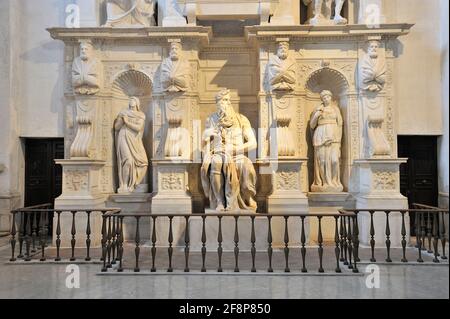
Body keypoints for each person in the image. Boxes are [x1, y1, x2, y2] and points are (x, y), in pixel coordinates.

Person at [201, 89, 258, 211]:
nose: (223, 103)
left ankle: (248, 196)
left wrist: (236, 149)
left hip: (237, 154)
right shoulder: (211, 120)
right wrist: (208, 137)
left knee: (246, 166)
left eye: (226, 100)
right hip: (218, 153)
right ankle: (220, 201)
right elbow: (204, 141)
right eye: (220, 101)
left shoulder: (241, 119)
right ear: (216, 103)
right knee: (216, 162)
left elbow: (253, 143)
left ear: (230, 102)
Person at [310, 90, 344, 192]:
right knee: (322, 161)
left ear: (331, 97)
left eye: (328, 97)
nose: (326, 99)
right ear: (322, 99)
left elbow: (340, 124)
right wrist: (316, 115)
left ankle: (334, 182)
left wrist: (338, 140)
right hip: (320, 136)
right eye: (324, 98)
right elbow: (312, 125)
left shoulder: (335, 109)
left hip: (333, 136)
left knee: (334, 160)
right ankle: (324, 182)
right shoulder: (318, 110)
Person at [114, 97, 148, 193]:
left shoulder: (141, 115)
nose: (131, 101)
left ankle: (135, 184)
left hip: (135, 140)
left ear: (137, 103)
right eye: (130, 100)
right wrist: (121, 121)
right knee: (128, 160)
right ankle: (124, 184)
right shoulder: (123, 113)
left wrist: (127, 122)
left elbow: (138, 128)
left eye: (133, 100)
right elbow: (116, 127)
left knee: (143, 162)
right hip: (123, 136)